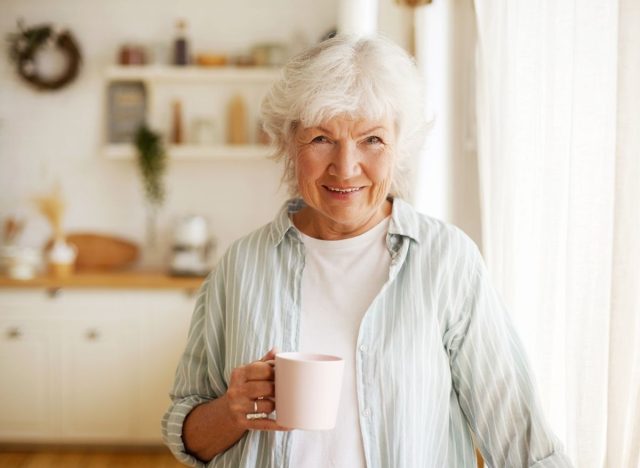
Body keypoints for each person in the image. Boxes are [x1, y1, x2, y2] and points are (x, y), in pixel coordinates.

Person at [162, 35, 573, 468]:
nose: (346, 166)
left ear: (401, 146)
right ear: (288, 145)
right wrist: (231, 411)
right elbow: (186, 432)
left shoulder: (447, 260)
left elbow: (519, 438)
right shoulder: (241, 265)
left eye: (372, 140)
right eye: (321, 138)